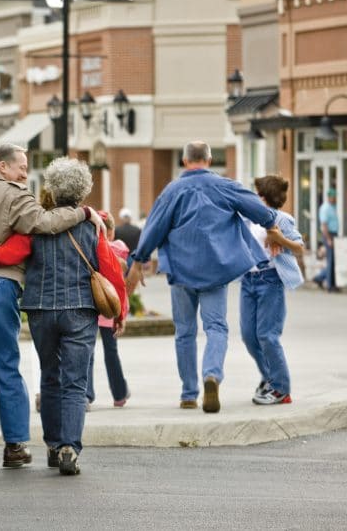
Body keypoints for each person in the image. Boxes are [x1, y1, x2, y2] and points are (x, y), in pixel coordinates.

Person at [0, 158, 128, 476]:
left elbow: (7, 256)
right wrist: (120, 311)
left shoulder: (32, 227)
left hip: (42, 311)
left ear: (51, 189)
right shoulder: (92, 226)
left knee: (50, 377)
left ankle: (51, 445)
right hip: (80, 310)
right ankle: (69, 447)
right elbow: (110, 270)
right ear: (84, 190)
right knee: (75, 382)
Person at [125, 140, 291, 414]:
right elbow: (261, 211)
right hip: (216, 269)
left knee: (185, 332)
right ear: (210, 160)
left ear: (184, 161)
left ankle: (188, 393)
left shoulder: (172, 191)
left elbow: (154, 227)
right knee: (216, 328)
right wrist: (272, 228)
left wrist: (138, 261)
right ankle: (211, 375)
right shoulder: (225, 185)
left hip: (181, 271)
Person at [241, 175, 304, 406]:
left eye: (256, 193)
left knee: (267, 335)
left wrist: (279, 238)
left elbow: (299, 248)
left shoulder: (282, 219)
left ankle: (281, 389)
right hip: (248, 280)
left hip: (270, 280)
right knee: (249, 336)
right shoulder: (248, 218)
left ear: (263, 197)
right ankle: (269, 377)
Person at [86, 211, 131, 408]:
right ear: (110, 231)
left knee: (86, 352)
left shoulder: (88, 249)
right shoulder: (118, 250)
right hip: (110, 309)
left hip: (90, 307)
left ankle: (86, 394)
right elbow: (121, 283)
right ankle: (119, 394)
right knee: (111, 352)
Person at [312, 188, 340, 292]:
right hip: (329, 235)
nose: (335, 198)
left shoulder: (333, 207)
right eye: (333, 196)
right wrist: (328, 239)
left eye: (335, 196)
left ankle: (319, 278)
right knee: (330, 260)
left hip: (334, 234)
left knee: (333, 260)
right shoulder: (325, 208)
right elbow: (324, 225)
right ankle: (330, 285)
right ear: (329, 197)